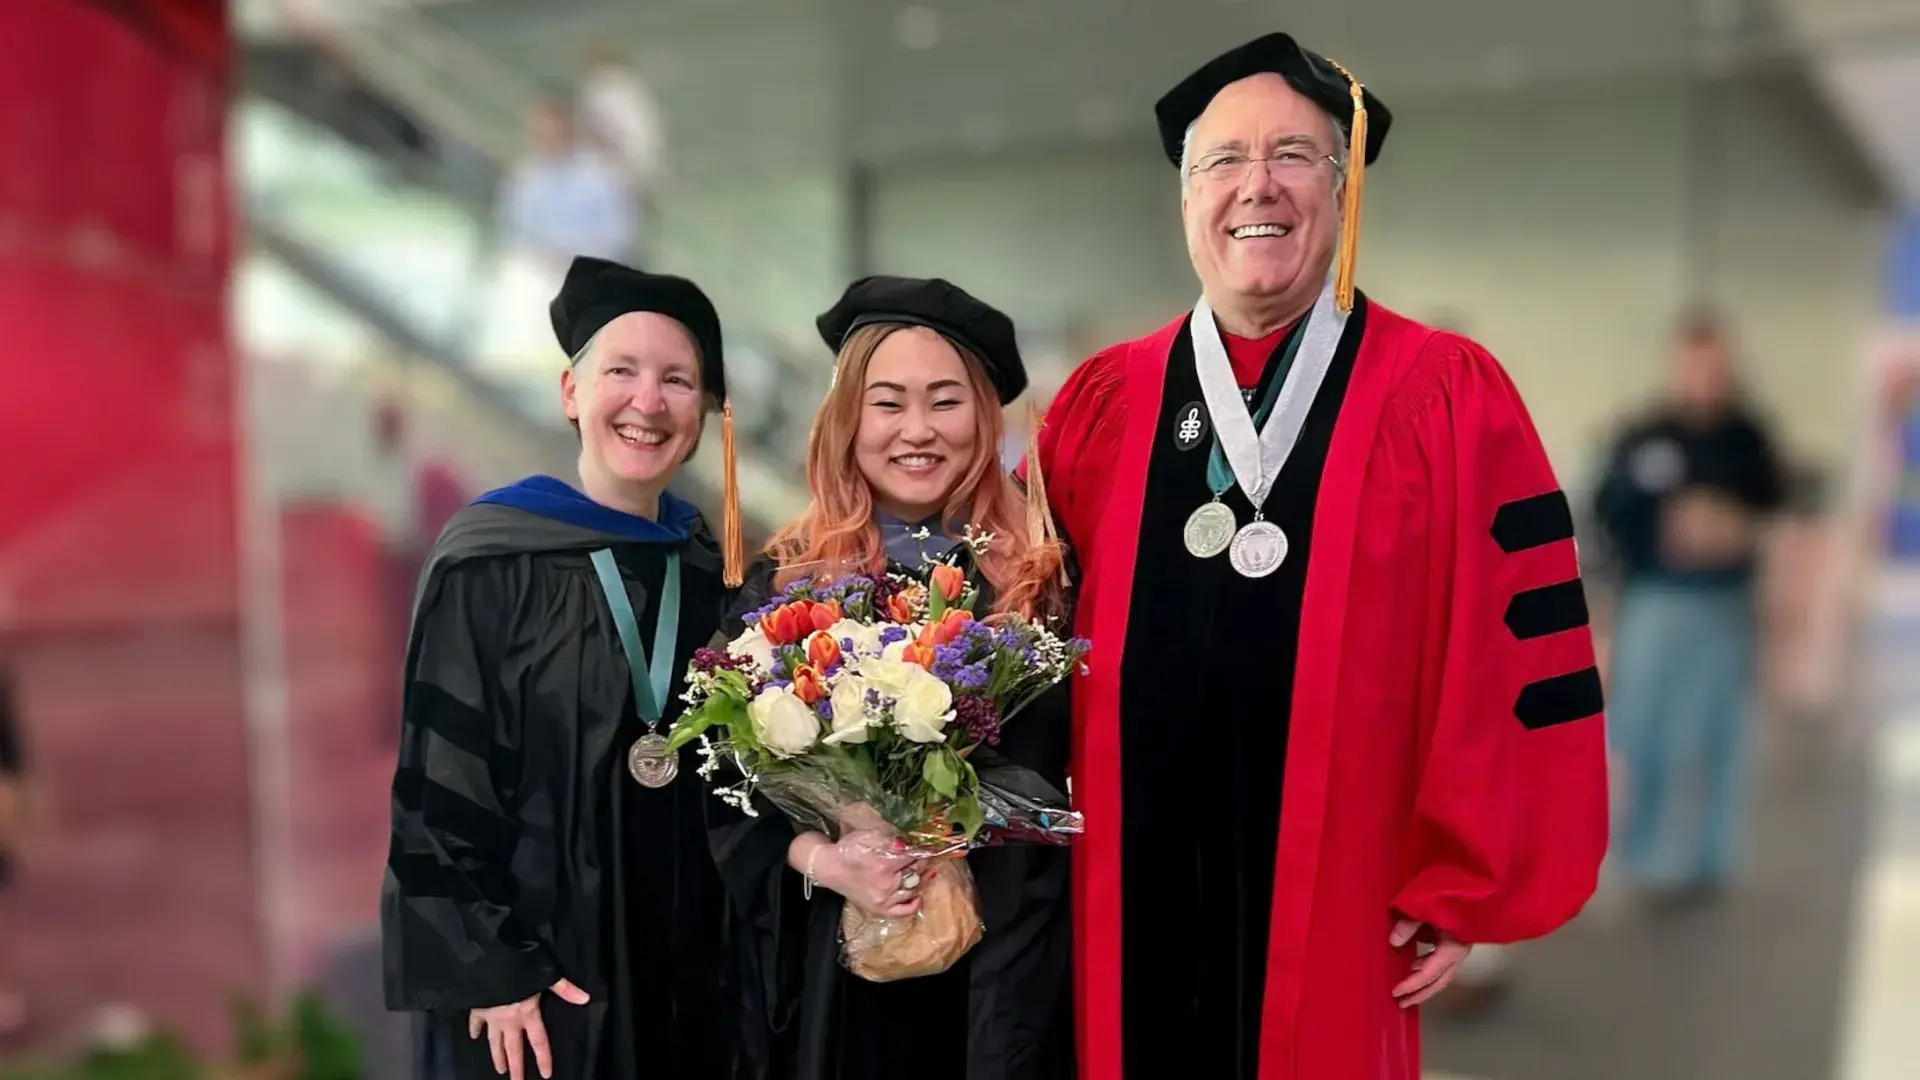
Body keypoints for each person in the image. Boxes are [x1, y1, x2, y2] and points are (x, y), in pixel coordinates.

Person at [1027, 32, 1610, 1079]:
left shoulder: (1445, 395)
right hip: (1121, 887)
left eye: (1296, 155)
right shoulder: (1102, 405)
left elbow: (1509, 648)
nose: (1260, 186)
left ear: (1344, 195)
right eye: (1225, 161)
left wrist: (1460, 878)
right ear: (1186, 198)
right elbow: (1022, 637)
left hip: (1344, 898)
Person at [381, 255, 746, 1080]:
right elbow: (439, 783)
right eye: (622, 370)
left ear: (704, 412)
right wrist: (493, 969)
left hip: (687, 987)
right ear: (571, 393)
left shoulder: (707, 574)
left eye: (678, 380)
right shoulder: (488, 561)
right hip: (537, 993)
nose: (648, 402)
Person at [714, 276, 1076, 1080]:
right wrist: (824, 857)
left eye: (945, 401)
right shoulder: (786, 590)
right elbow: (720, 793)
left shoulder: (1046, 581)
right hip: (834, 984)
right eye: (888, 403)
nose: (917, 431)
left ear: (984, 418)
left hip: (1012, 976)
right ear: (849, 421)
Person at [1593, 309, 1783, 904]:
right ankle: (1640, 855)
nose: (1705, 375)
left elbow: (1772, 512)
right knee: (1642, 730)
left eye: (1715, 364)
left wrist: (1729, 527)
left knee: (1716, 733)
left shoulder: (1747, 439)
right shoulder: (1643, 436)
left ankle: (1707, 858)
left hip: (1723, 603)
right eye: (1694, 364)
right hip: (1656, 599)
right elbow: (1607, 511)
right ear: (1677, 365)